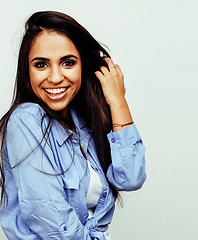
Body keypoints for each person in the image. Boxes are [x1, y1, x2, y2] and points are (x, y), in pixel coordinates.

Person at [0, 11, 146, 240]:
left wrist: (118, 101)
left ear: (83, 66)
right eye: (41, 64)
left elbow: (131, 177)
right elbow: (55, 226)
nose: (56, 77)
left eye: (68, 63)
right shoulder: (26, 120)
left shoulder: (84, 122)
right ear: (27, 70)